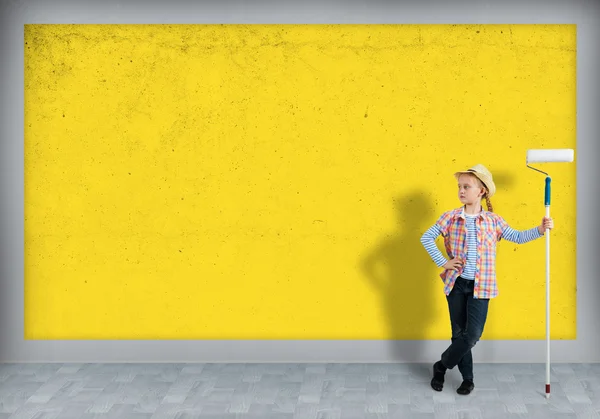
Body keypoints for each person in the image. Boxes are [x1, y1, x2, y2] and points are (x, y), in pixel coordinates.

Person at [420, 164, 553, 395]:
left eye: (467, 186)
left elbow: (518, 237)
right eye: (459, 186)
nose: (461, 190)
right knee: (458, 333)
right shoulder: (450, 217)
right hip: (457, 284)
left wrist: (540, 229)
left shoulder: (493, 221)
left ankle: (441, 366)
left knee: (471, 336)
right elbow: (427, 237)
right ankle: (467, 379)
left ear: (481, 191)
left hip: (482, 287)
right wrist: (443, 262)